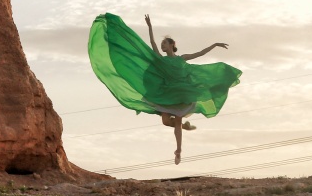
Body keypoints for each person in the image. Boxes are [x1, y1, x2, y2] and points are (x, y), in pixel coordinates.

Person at [88, 13, 241, 165]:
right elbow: (152, 44)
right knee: (166, 121)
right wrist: (150, 27)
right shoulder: (161, 60)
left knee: (178, 119)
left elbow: (200, 53)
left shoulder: (182, 58)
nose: (162, 47)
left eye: (165, 44)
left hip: (181, 93)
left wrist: (214, 45)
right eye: (162, 45)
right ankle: (183, 126)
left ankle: (178, 151)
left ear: (172, 45)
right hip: (166, 94)